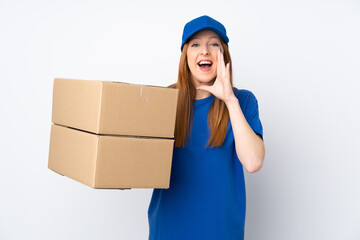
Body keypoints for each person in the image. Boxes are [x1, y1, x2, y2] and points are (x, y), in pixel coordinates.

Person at [147, 15, 265, 240]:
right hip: (169, 228)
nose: (205, 51)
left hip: (221, 232)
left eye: (214, 44)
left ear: (224, 55)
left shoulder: (243, 101)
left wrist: (229, 99)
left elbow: (253, 162)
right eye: (195, 45)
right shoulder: (163, 100)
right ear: (186, 56)